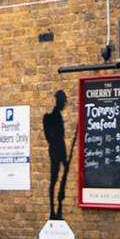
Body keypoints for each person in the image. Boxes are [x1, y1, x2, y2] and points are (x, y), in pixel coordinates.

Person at [42, 90, 74, 220]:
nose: (63, 104)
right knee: (54, 179)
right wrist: (63, 156)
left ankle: (58, 206)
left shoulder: (57, 116)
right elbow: (56, 139)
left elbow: (61, 139)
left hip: (59, 150)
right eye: (62, 101)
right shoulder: (53, 117)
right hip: (56, 151)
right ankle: (53, 209)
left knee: (58, 179)